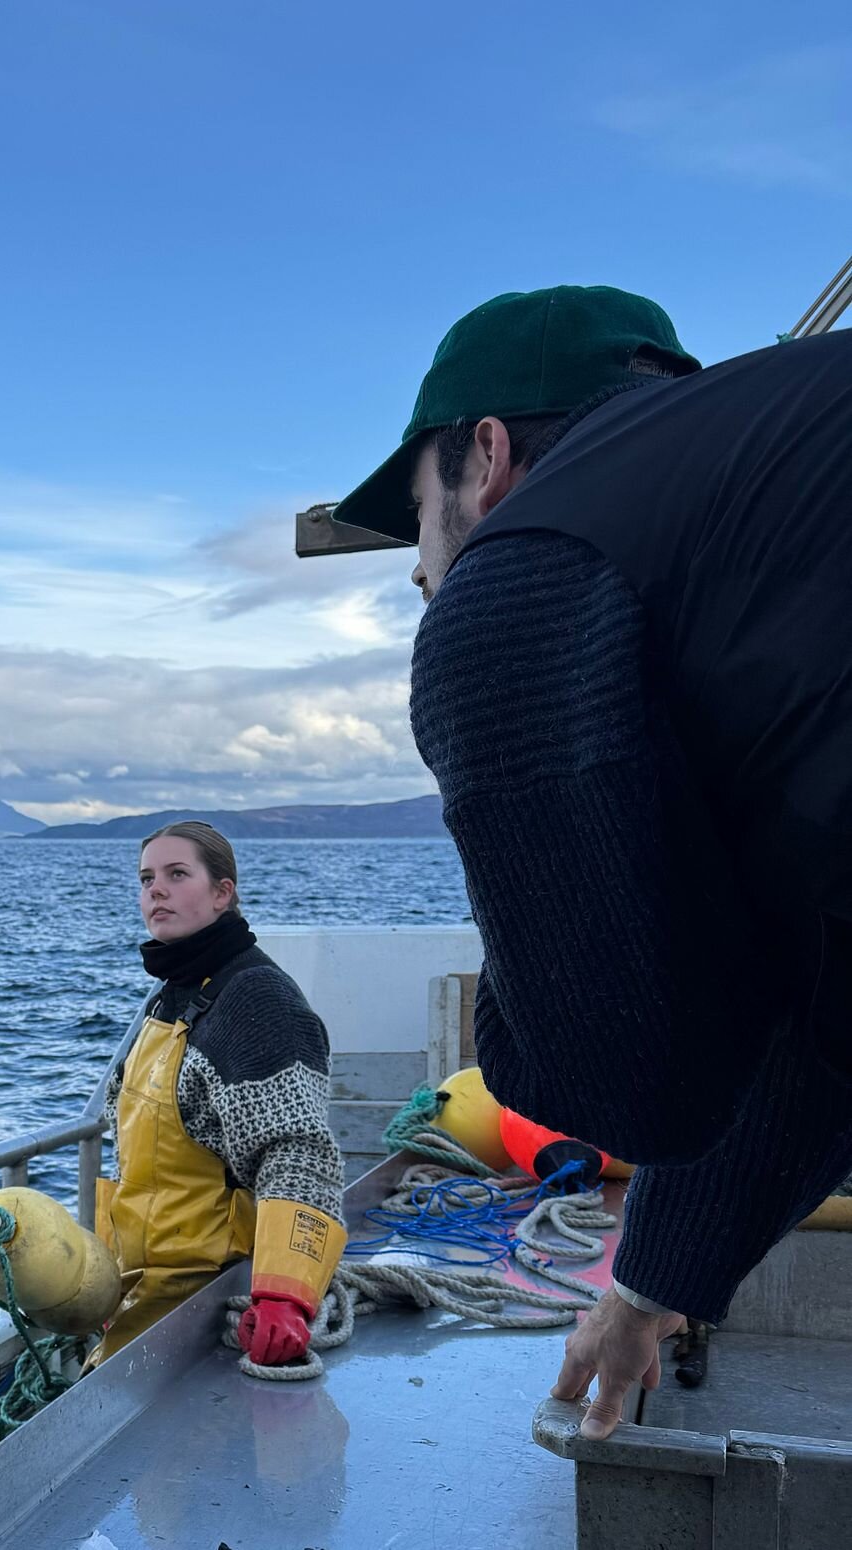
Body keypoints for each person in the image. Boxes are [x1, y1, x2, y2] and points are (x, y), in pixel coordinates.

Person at [334, 286, 852, 1439]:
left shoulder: (526, 565)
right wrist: (645, 1286)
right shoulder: (773, 519)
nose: (424, 570)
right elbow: (831, 1023)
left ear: (489, 455)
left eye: (420, 517)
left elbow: (627, 1082)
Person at [92, 821, 346, 1364]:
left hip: (208, 1308)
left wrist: (285, 1297)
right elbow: (134, 1160)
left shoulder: (254, 1000)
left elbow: (298, 1152)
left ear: (222, 892)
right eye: (146, 879)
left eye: (177, 874)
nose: (155, 890)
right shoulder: (173, 994)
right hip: (143, 1297)